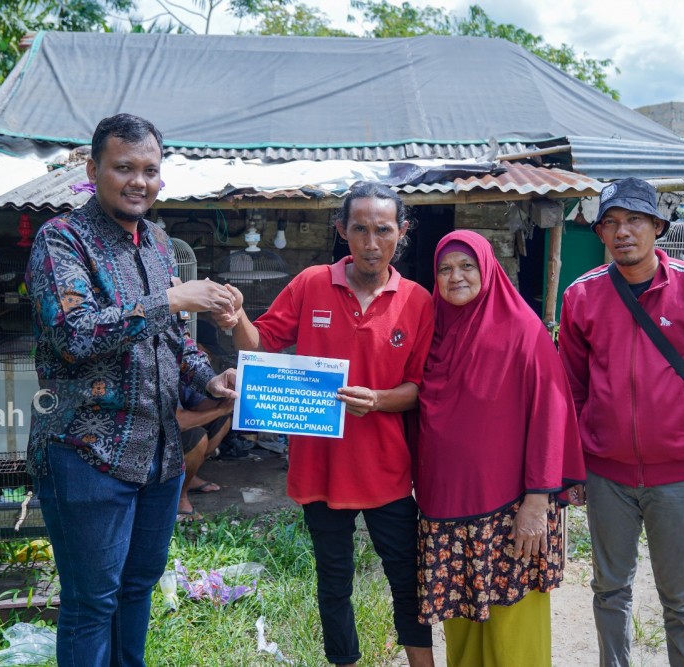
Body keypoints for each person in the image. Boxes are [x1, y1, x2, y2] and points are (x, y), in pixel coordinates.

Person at [26, 113, 238, 666]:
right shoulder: (62, 240)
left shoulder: (159, 244)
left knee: (137, 587)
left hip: (159, 455)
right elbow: (75, 334)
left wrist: (207, 376)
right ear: (94, 169)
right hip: (87, 454)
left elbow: (172, 338)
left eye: (150, 169)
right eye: (124, 168)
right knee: (91, 602)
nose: (138, 181)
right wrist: (170, 301)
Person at [215, 182, 435, 667]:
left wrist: (377, 400)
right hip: (319, 469)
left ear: (402, 232)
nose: (371, 242)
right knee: (333, 581)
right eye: (360, 229)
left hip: (387, 471)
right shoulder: (312, 283)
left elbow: (419, 388)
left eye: (383, 230)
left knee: (407, 577)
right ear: (342, 231)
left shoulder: (418, 301)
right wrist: (236, 320)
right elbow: (261, 345)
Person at [558, 177, 684, 667]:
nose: (623, 232)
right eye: (612, 222)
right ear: (600, 232)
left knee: (682, 598)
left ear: (658, 227)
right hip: (607, 477)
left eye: (635, 220)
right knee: (610, 591)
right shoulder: (581, 297)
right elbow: (571, 390)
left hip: (679, 478)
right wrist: (572, 465)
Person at [415, 230, 585, 667]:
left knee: (514, 629)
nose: (456, 277)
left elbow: (551, 416)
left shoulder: (522, 330)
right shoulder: (430, 331)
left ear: (488, 268)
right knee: (461, 621)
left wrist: (537, 501)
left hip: (510, 509)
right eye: (445, 269)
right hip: (445, 507)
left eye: (467, 266)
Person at [175, 390, 233, 521]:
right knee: (196, 437)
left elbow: (198, 404)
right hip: (149, 440)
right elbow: (180, 421)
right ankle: (179, 497)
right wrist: (220, 410)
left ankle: (189, 477)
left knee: (221, 421)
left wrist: (231, 399)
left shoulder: (186, 371)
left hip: (175, 427)